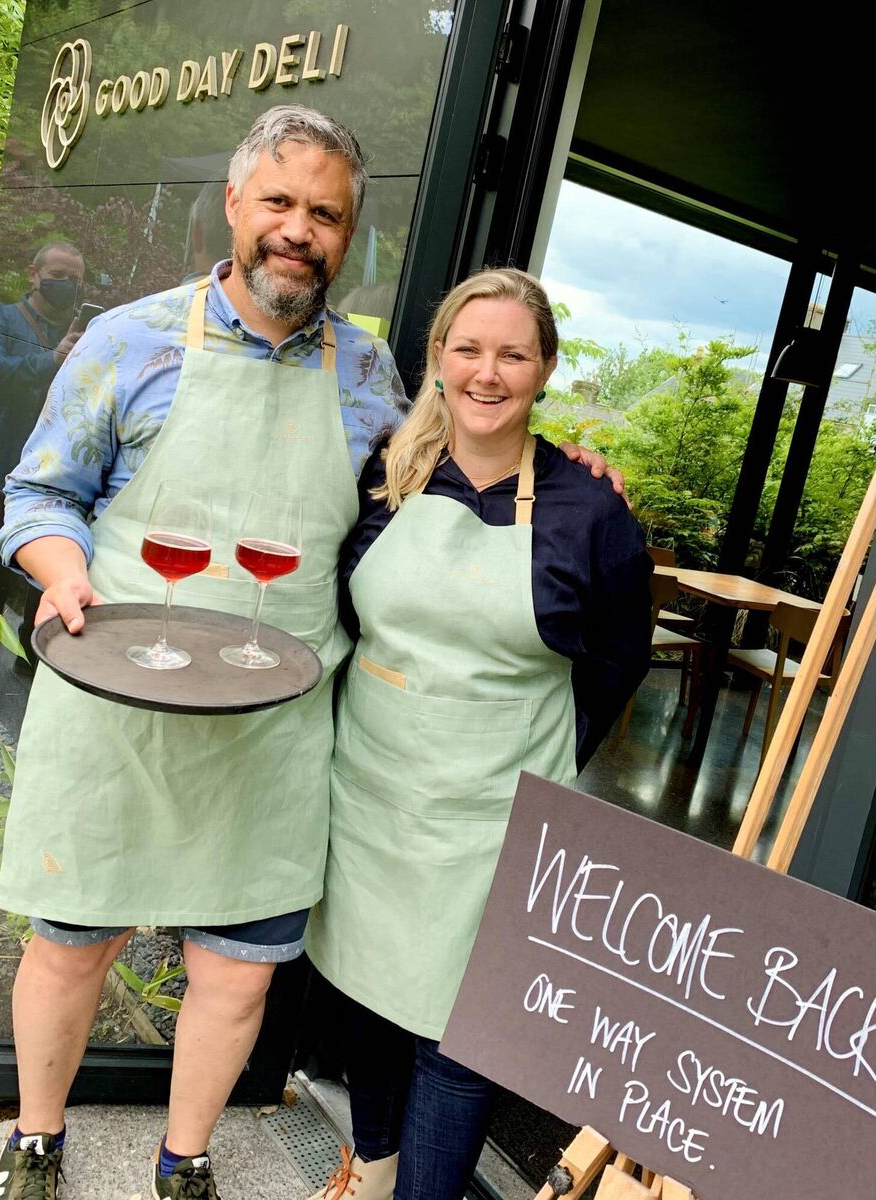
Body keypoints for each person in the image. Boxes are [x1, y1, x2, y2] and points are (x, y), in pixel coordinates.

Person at [0, 106, 618, 1200]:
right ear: (234, 205)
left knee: (235, 972)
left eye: (324, 213)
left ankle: (184, 1161)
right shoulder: (128, 339)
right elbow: (39, 491)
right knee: (72, 940)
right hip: (118, 697)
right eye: (278, 202)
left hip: (277, 724)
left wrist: (575, 477)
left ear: (346, 233)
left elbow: (467, 444)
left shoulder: (369, 373)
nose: (297, 230)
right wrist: (63, 569)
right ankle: (37, 1140)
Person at [305, 269, 652, 1200]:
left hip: (495, 816)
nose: (487, 373)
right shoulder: (389, 471)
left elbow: (618, 659)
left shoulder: (590, 509)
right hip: (372, 790)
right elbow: (340, 605)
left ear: (543, 370)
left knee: (459, 1037)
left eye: (512, 354)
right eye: (468, 349)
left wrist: (529, 754)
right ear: (439, 360)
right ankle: (370, 1170)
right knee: (374, 1001)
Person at [0, 242, 84, 645]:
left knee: (47, 582)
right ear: (33, 273)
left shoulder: (84, 333)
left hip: (56, 480)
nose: (66, 285)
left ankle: (32, 657)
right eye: (58, 276)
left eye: (74, 280)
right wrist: (49, 360)